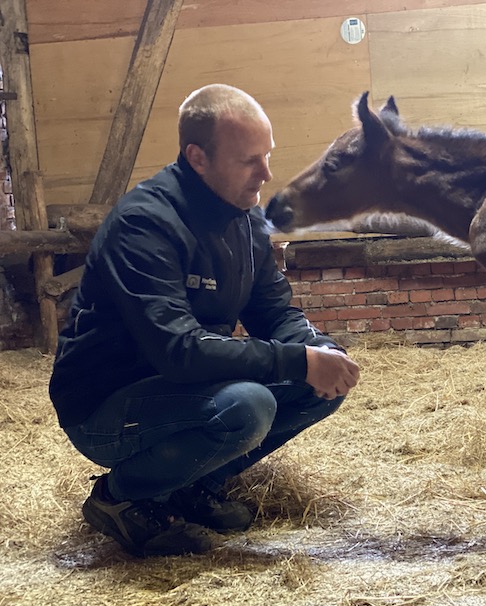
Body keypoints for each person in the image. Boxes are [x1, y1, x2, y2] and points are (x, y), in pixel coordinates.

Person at [49, 84, 360, 557]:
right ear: (198, 158)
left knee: (317, 384)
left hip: (183, 390)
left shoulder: (246, 220)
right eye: (249, 160)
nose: (267, 173)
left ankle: (188, 487)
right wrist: (298, 360)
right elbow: (179, 351)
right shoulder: (145, 223)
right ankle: (120, 497)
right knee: (246, 407)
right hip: (107, 405)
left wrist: (319, 349)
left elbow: (275, 311)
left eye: (267, 156)